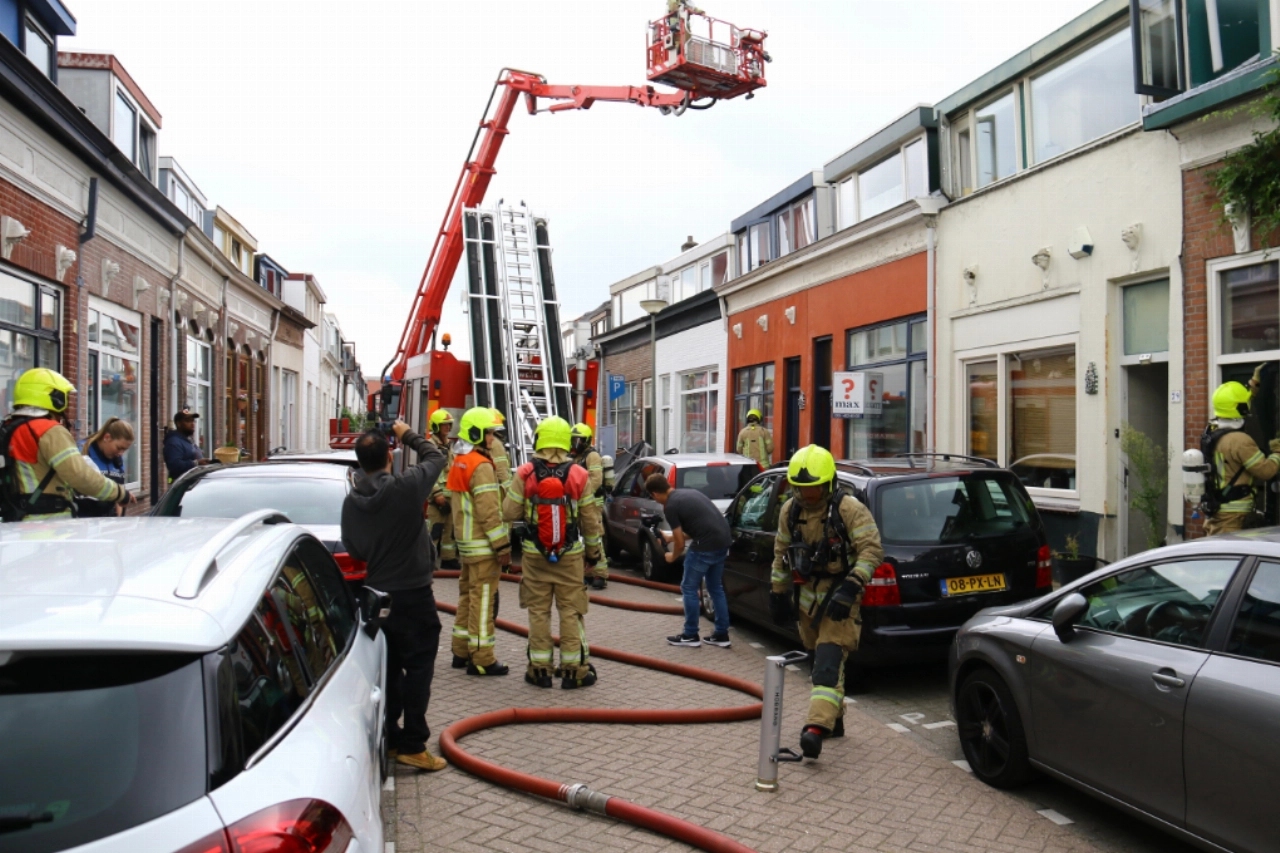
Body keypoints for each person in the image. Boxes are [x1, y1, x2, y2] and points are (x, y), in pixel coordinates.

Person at [341, 419, 448, 772]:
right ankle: (414, 745)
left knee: (387, 667)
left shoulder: (352, 501)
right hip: (414, 595)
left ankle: (389, 737)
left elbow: (355, 549)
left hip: (377, 598)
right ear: (390, 457)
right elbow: (436, 456)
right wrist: (406, 434)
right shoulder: (405, 487)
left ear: (360, 463)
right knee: (419, 667)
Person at [770, 444, 883, 760]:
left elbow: (872, 550)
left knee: (827, 667)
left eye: (814, 488)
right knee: (818, 660)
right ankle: (836, 722)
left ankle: (815, 730)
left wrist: (851, 587)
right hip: (807, 601)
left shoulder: (849, 510)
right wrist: (777, 593)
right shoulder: (790, 511)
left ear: (829, 483)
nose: (808, 495)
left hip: (841, 597)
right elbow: (781, 554)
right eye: (801, 488)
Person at [502, 416, 596, 689]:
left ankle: (539, 671)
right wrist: (593, 555)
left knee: (538, 612)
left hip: (534, 555)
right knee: (571, 611)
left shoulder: (525, 472)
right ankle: (573, 672)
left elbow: (509, 513)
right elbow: (590, 521)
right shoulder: (579, 474)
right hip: (570, 555)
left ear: (539, 439)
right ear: (567, 441)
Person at [0, 368, 133, 521]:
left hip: (14, 521)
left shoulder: (8, 428)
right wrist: (120, 494)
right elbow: (80, 476)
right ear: (55, 398)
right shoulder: (49, 431)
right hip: (49, 524)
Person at [447, 407, 512, 676]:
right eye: (488, 433)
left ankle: (460, 651)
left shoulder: (460, 460)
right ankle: (482, 658)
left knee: (467, 597)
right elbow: (489, 513)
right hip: (483, 548)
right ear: (476, 433)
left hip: (466, 545)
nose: (492, 439)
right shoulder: (482, 466)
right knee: (483, 601)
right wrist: (502, 546)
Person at [644, 471, 732, 649]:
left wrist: (671, 557)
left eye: (653, 497)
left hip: (704, 547)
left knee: (689, 588)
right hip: (723, 541)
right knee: (715, 588)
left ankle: (690, 635)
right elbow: (699, 527)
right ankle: (722, 634)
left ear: (655, 494)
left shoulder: (671, 506)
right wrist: (670, 537)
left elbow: (680, 544)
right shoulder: (689, 493)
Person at [1201, 375, 1280, 535]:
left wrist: (1253, 388)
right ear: (1241, 408)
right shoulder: (1240, 440)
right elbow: (1266, 471)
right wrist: (1277, 452)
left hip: (1217, 512)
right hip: (1233, 519)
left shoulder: (1211, 432)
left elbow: (1237, 405)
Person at [570, 422, 609, 590]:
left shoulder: (592, 456)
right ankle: (588, 572)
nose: (574, 444)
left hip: (592, 502)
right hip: (580, 502)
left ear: (585, 441)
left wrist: (583, 496)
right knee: (582, 538)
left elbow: (596, 479)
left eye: (577, 440)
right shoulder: (576, 457)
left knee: (594, 536)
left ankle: (600, 574)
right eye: (573, 440)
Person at [78, 417, 134, 517]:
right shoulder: (83, 450)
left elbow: (119, 491)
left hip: (108, 520)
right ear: (107, 437)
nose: (121, 453)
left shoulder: (117, 459)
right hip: (83, 519)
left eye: (124, 450)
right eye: (119, 448)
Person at [425, 408, 459, 571]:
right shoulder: (430, 446)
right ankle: (428, 562)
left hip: (451, 494)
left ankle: (448, 558)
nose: (447, 427)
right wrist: (437, 494)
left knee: (450, 531)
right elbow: (429, 472)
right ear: (436, 426)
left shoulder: (448, 445)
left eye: (449, 424)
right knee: (435, 530)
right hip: (437, 497)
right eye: (444, 424)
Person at [164, 409, 208, 481]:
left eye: (193, 421)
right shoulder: (173, 442)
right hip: (183, 484)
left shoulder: (188, 440)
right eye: (188, 421)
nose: (192, 424)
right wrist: (196, 463)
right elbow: (174, 465)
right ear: (178, 424)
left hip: (194, 483)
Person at [486, 407, 511, 486]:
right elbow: (501, 470)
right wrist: (508, 489)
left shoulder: (490, 441)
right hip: (500, 487)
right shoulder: (496, 443)